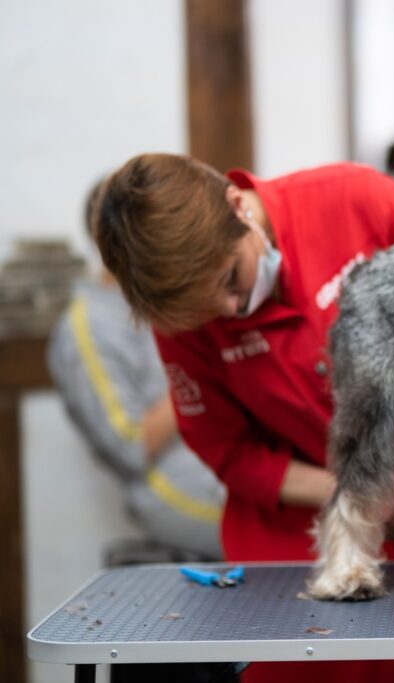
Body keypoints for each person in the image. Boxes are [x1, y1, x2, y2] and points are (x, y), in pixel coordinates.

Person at [91, 154, 394, 683]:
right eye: (210, 313)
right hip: (298, 532)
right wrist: (357, 494)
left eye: (233, 277)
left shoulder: (353, 200)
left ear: (238, 207)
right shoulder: (183, 316)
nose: (232, 310)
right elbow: (227, 451)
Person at [48, 183, 224, 562]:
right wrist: (199, 373)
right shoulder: (88, 325)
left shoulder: (155, 296)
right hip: (172, 485)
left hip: (219, 457)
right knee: (294, 527)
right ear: (108, 239)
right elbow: (128, 442)